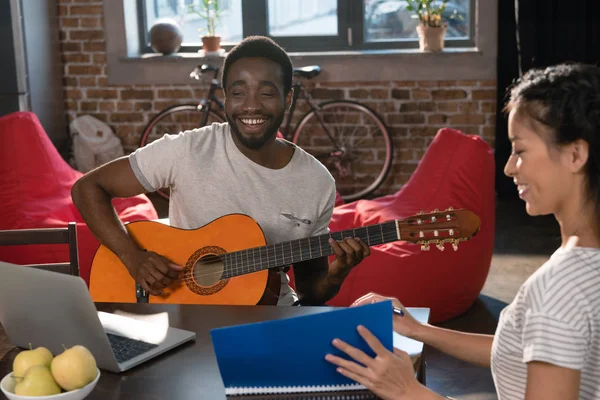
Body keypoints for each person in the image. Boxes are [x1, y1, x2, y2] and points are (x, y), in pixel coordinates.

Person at [325, 62, 600, 399]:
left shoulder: (558, 287)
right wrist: (420, 330)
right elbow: (519, 351)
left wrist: (408, 391)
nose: (509, 167)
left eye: (520, 150)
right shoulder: (584, 264)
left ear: (575, 154)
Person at [71, 36, 370, 306]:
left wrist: (335, 275)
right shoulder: (186, 150)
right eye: (238, 93)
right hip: (183, 312)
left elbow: (310, 292)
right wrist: (132, 257)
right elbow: (87, 188)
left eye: (266, 94)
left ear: (287, 98)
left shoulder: (316, 182)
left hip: (269, 315)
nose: (251, 106)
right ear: (226, 97)